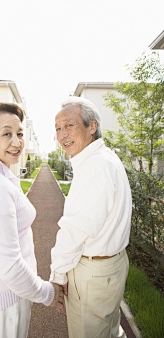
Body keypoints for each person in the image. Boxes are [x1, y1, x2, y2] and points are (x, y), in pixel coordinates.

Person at [0, 102, 64, 338]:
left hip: (2, 294)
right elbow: (10, 266)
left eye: (20, 133)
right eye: (6, 134)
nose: (17, 141)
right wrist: (47, 293)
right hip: (5, 301)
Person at [50, 96, 132, 338]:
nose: (62, 134)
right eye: (57, 128)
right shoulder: (103, 158)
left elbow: (75, 229)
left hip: (94, 273)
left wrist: (57, 274)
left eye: (69, 125)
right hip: (111, 266)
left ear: (92, 126)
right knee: (109, 329)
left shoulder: (95, 167)